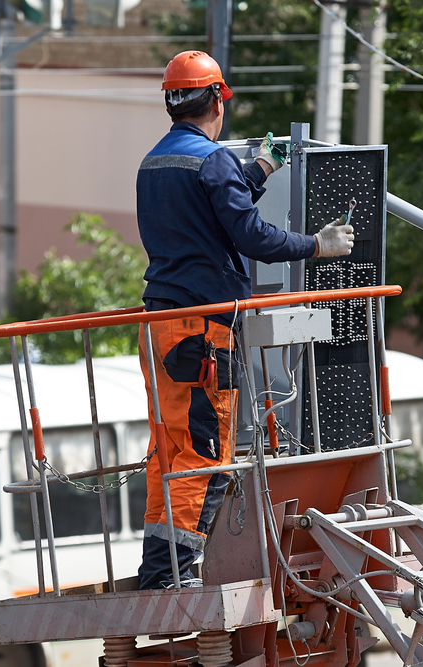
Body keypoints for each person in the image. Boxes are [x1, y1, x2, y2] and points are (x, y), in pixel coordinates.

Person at [135, 50, 354, 589]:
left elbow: (204, 219)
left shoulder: (155, 162)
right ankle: (173, 575)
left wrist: (256, 170)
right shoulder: (210, 161)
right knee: (205, 455)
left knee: (169, 451)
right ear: (216, 99)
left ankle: (158, 571)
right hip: (204, 335)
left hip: (162, 326)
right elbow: (248, 235)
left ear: (171, 102)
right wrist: (316, 246)